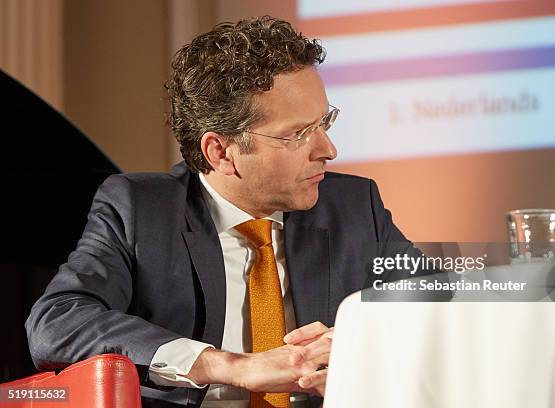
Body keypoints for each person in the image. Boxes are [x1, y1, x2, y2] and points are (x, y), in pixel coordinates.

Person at [25, 16, 422, 408]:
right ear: (221, 152)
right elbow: (56, 323)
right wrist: (228, 366)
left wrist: (363, 344)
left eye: (324, 123)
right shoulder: (141, 209)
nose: (327, 150)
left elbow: (447, 310)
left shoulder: (353, 206)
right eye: (297, 134)